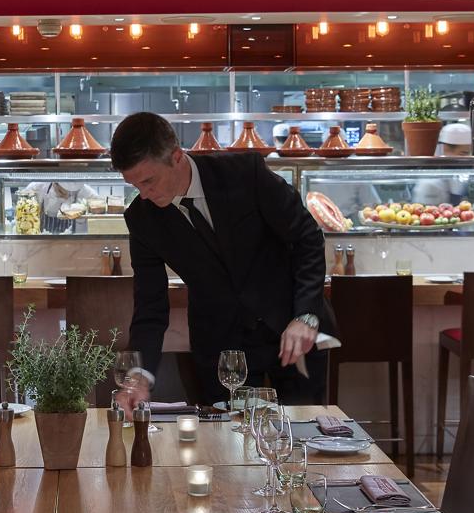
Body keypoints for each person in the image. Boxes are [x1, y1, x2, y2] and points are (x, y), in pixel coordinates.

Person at [110, 111, 335, 406]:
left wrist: (305, 315)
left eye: (149, 181)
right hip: (221, 347)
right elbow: (150, 304)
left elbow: (307, 237)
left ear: (176, 156)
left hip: (292, 327)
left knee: (300, 428)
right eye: (135, 186)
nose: (144, 194)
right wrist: (139, 375)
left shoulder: (244, 173)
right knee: (227, 433)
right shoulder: (142, 219)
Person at [410, 121, 473, 204]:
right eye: (463, 153)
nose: (466, 159)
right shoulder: (430, 184)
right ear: (446, 148)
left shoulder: (457, 175)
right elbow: (429, 210)